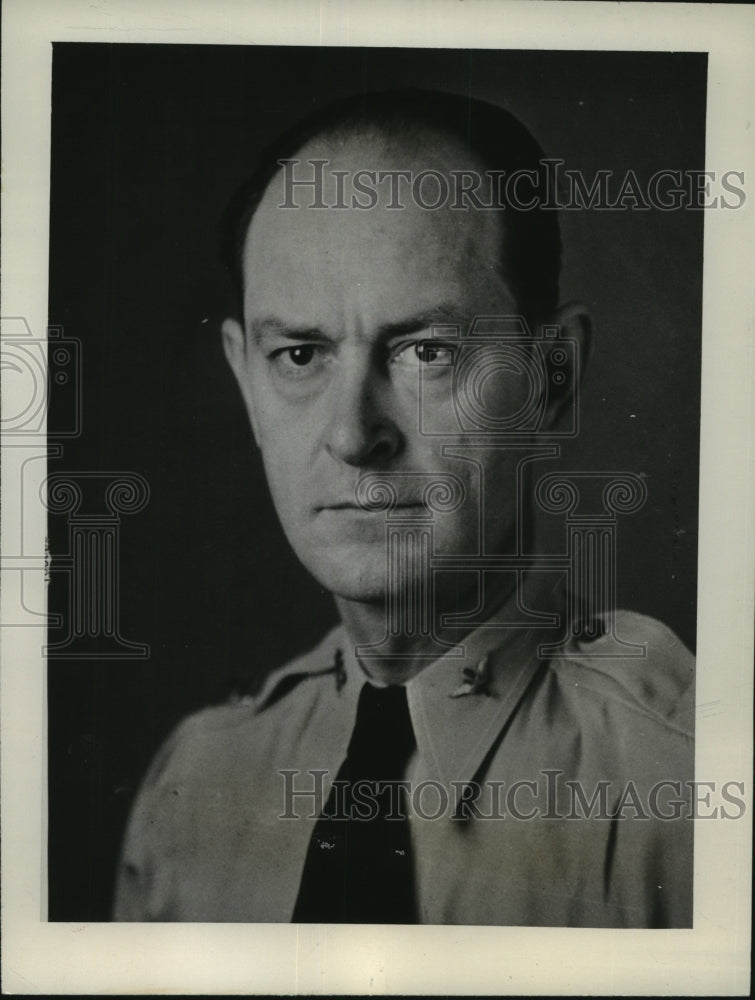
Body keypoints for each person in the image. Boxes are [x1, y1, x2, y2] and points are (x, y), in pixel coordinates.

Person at [113, 89, 694, 926]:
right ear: (246, 382)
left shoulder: (686, 787)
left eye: (426, 351)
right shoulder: (193, 790)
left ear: (551, 379)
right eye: (300, 353)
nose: (353, 433)